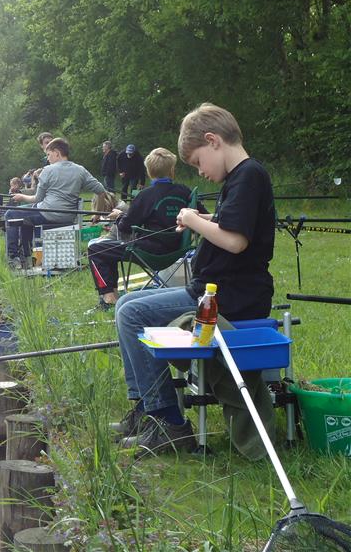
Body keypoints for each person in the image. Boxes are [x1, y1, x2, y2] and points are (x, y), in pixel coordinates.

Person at [109, 103, 275, 456]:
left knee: (130, 313)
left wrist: (194, 220)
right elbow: (233, 222)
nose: (200, 171)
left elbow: (236, 240)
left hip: (229, 297)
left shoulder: (248, 176)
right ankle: (147, 409)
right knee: (125, 303)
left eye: (198, 162)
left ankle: (168, 421)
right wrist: (201, 217)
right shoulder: (242, 177)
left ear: (213, 141)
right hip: (213, 290)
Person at [87, 148, 204, 307]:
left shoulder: (146, 195)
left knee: (96, 249)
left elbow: (125, 227)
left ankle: (109, 299)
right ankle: (112, 297)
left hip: (149, 251)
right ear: (172, 170)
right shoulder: (185, 191)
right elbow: (204, 216)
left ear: (149, 172)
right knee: (106, 248)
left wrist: (119, 216)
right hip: (178, 249)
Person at [5, 138, 106, 269]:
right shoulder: (80, 170)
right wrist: (97, 215)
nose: (48, 159)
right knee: (25, 217)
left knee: (10, 214)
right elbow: (101, 192)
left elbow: (37, 198)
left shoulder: (48, 170)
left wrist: (21, 196)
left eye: (49, 154)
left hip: (47, 213)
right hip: (68, 217)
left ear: (57, 153)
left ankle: (14, 258)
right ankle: (27, 256)